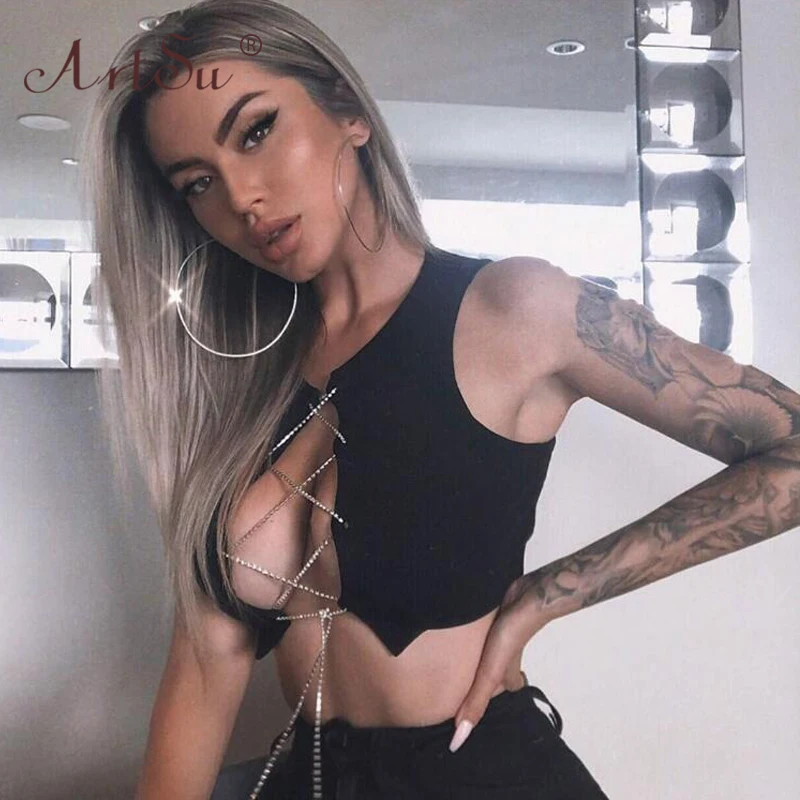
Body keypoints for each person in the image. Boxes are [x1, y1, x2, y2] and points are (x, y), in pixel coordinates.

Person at [81, 1, 800, 798]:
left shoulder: (513, 308)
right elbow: (205, 661)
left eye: (256, 131)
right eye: (198, 184)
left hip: (483, 774)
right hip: (311, 776)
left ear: (347, 112)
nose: (242, 196)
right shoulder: (241, 380)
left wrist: (546, 597)